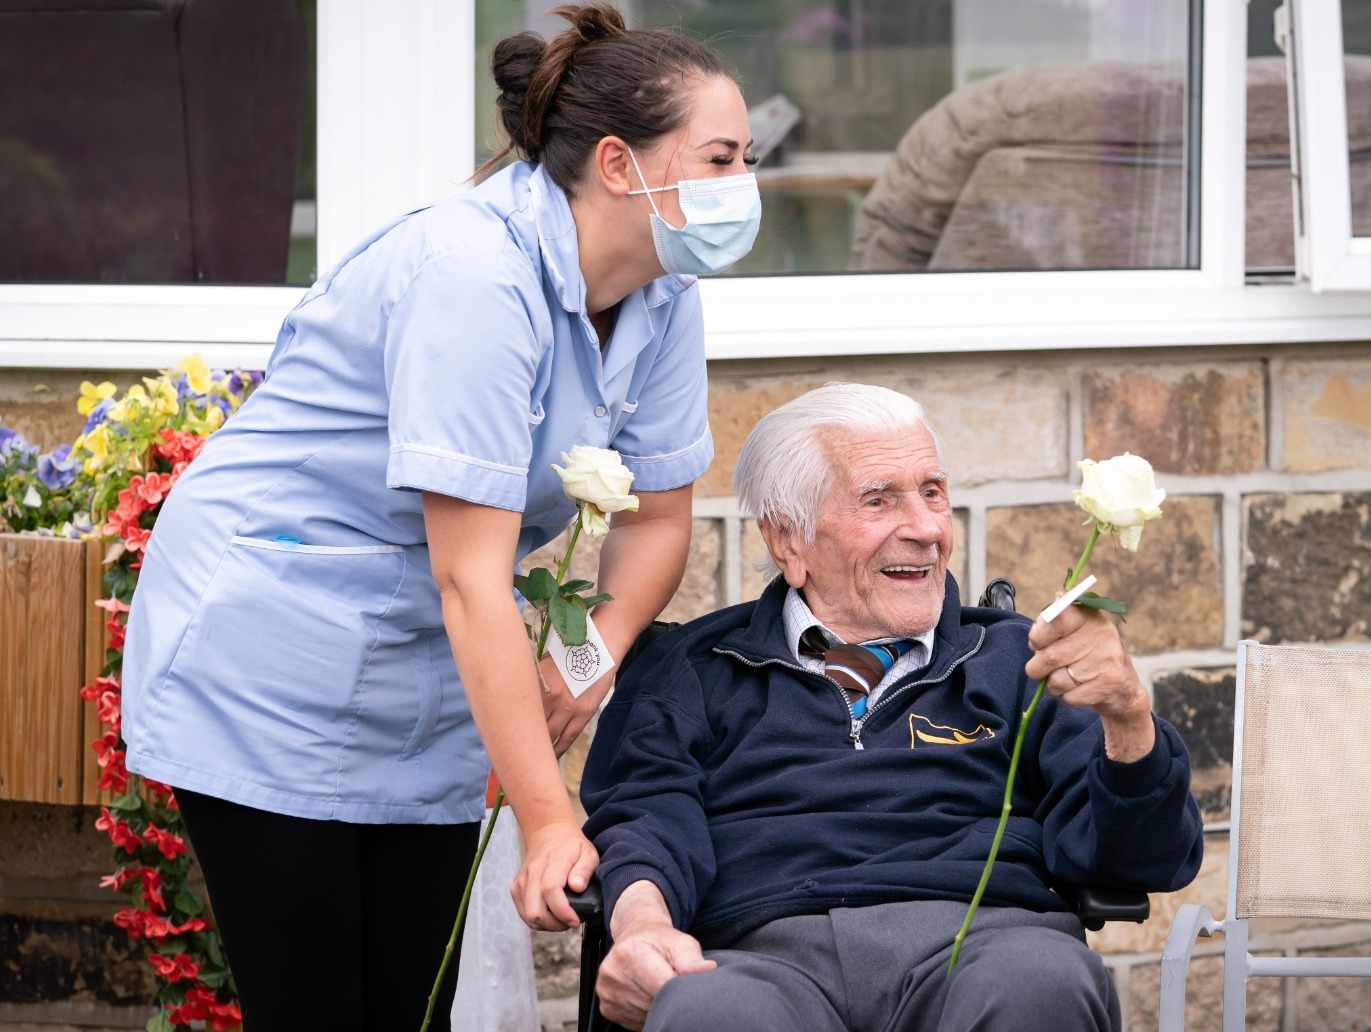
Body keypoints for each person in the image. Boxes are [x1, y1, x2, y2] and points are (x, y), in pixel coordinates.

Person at [118, 4, 760, 1029]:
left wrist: (579, 668)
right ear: (618, 162)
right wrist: (549, 818)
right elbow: (472, 576)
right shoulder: (472, 273)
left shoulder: (663, 290)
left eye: (747, 159)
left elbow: (655, 521)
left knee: (412, 1002)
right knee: (321, 1010)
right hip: (271, 651)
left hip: (425, 668)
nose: (743, 187)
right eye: (720, 157)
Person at [580, 383, 1204, 1032]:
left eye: (933, 492)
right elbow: (646, 817)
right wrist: (642, 930)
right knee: (710, 1011)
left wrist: (1129, 719)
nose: (927, 529)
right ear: (787, 539)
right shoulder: (694, 667)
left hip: (980, 939)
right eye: (879, 500)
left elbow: (1144, 861)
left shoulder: (1024, 658)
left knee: (1040, 984)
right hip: (756, 951)